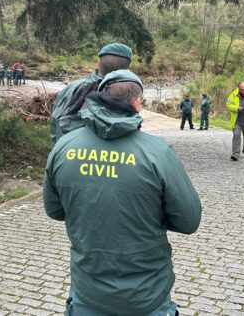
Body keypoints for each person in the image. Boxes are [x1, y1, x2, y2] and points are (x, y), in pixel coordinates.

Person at [44, 70, 202, 315]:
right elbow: (189, 220)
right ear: (137, 103)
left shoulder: (64, 147)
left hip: (88, 293)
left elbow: (54, 210)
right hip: (147, 296)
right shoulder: (158, 152)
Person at [49, 43, 132, 143]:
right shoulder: (129, 93)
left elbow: (55, 123)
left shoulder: (71, 88)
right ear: (127, 70)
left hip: (69, 152)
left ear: (98, 63)